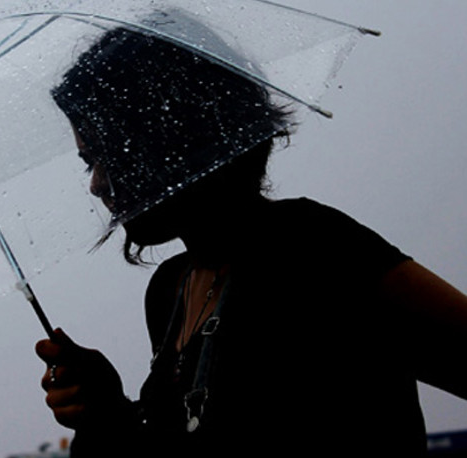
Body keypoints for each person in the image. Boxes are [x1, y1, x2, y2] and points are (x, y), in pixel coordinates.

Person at [35, 22, 467, 457]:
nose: (96, 184)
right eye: (88, 163)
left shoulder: (313, 247)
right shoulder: (170, 290)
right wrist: (106, 411)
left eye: (109, 156)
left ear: (170, 135)